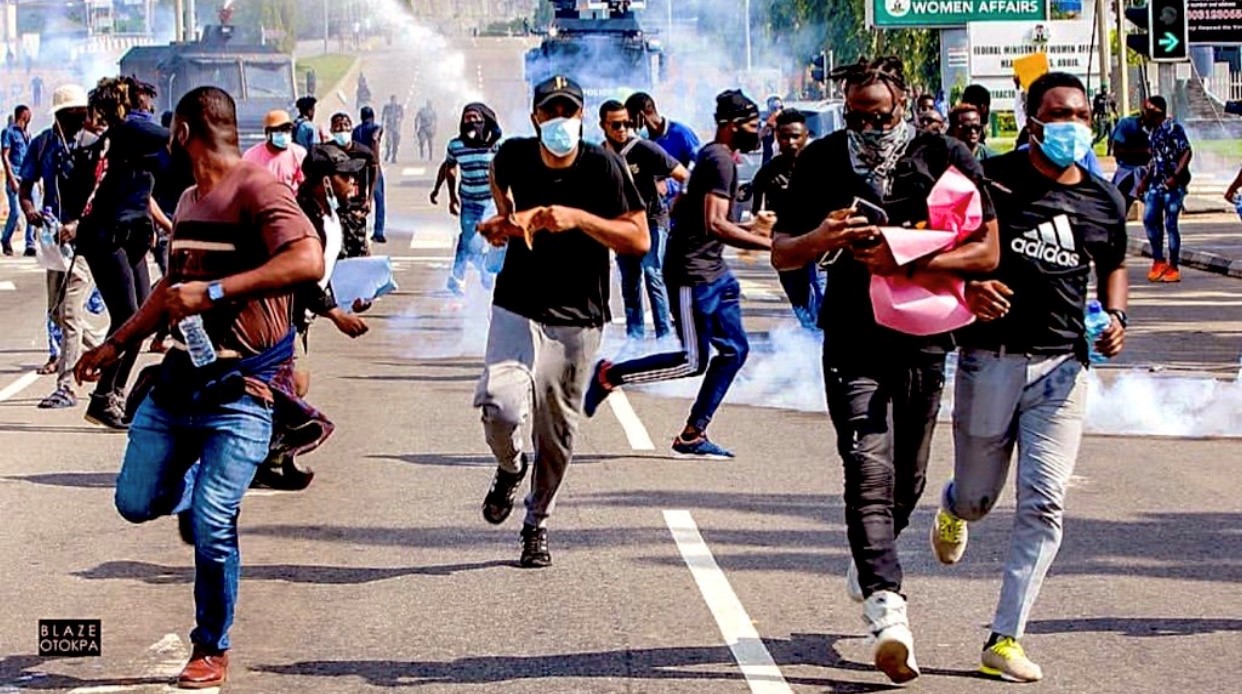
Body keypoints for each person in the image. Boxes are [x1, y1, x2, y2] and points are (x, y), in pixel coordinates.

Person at [75, 85, 323, 689]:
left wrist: (214, 293)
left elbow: (307, 260)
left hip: (243, 390)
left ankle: (210, 647)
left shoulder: (259, 189)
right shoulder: (187, 199)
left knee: (214, 522)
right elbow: (168, 290)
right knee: (134, 502)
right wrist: (114, 345)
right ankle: (192, 488)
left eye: (171, 132)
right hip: (178, 386)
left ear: (183, 132)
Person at [769, 56, 999, 684]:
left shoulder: (944, 155)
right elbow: (782, 250)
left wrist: (905, 255)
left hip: (925, 336)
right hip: (852, 337)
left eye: (880, 116)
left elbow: (986, 249)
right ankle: (886, 606)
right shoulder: (821, 160)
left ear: (904, 103)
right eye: (856, 118)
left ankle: (871, 553)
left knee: (908, 478)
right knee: (866, 466)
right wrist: (823, 238)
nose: (868, 129)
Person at [929, 71, 1129, 683]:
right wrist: (968, 285)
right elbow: (937, 247)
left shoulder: (1103, 198)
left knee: (1044, 503)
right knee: (979, 498)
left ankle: (1004, 638)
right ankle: (953, 506)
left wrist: (1116, 315)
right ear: (1032, 120)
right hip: (990, 358)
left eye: (1081, 115)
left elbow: (1114, 263)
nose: (1072, 126)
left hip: (1064, 367)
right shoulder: (989, 181)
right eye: (1058, 114)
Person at [473, 75, 647, 568]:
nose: (559, 121)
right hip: (517, 304)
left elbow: (638, 239)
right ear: (535, 118)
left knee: (557, 433)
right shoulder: (514, 155)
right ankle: (511, 467)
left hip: (578, 317)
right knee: (500, 407)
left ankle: (537, 521)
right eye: (550, 112)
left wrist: (579, 219)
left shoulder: (604, 166)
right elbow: (498, 182)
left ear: (581, 117)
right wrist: (504, 222)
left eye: (568, 112)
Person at [583, 89, 773, 459]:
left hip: (714, 271)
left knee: (735, 351)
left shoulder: (715, 157)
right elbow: (715, 223)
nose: (759, 132)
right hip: (691, 273)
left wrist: (751, 228)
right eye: (753, 125)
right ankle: (610, 375)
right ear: (732, 126)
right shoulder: (719, 160)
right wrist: (770, 244)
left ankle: (693, 434)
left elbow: (689, 207)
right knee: (692, 360)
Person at [72, 76, 169, 429]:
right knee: (128, 315)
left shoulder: (129, 134)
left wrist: (161, 225)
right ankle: (102, 397)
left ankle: (114, 393)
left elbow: (144, 190)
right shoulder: (128, 129)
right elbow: (172, 137)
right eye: (143, 98)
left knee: (142, 318)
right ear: (125, 102)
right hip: (106, 236)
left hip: (130, 235)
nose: (149, 104)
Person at [19, 84, 103, 410]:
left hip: (84, 243)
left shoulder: (94, 145)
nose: (78, 120)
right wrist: (30, 211)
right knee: (57, 314)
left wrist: (78, 225)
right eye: (71, 115)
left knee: (69, 313)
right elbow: (25, 187)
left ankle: (66, 387)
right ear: (58, 115)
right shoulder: (42, 145)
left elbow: (102, 195)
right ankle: (108, 348)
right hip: (54, 244)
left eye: (81, 114)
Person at [598, 99, 689, 342]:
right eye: (616, 125)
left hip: (653, 220)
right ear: (603, 125)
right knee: (630, 282)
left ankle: (664, 337)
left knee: (652, 272)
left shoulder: (644, 149)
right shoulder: (600, 156)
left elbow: (683, 175)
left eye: (626, 123)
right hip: (624, 225)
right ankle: (634, 339)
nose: (622, 129)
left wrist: (683, 203)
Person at [750, 109, 821, 330]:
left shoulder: (822, 165)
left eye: (796, 136)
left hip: (819, 243)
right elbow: (757, 212)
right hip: (787, 246)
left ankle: (822, 340)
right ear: (777, 138)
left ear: (806, 135)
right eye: (784, 137)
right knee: (800, 304)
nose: (790, 142)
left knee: (822, 298)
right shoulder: (768, 172)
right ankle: (809, 339)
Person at [430, 102, 504, 294]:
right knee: (471, 243)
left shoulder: (496, 145)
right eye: (467, 118)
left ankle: (461, 276)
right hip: (469, 203)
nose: (471, 122)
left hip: (492, 203)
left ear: (484, 120)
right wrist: (446, 194)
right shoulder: (456, 145)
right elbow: (449, 168)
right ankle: (480, 272)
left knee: (490, 242)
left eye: (475, 118)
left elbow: (509, 170)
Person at [1135, 95, 1191, 283]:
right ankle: (1158, 261)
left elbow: (1186, 152)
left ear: (1156, 112)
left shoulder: (1173, 128)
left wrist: (1175, 177)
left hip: (1173, 185)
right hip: (1156, 184)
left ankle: (1173, 267)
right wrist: (1144, 182)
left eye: (1147, 110)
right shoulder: (1153, 132)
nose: (1143, 114)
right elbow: (1154, 160)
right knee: (1150, 219)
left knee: (1170, 224)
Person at [329, 112, 377, 257]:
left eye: (345, 125)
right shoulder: (326, 151)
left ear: (351, 128)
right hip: (334, 204)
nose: (342, 130)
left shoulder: (363, 152)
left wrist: (369, 199)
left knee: (358, 243)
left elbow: (374, 169)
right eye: (337, 127)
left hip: (356, 203)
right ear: (332, 130)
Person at [625, 91, 701, 167]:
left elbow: (701, 162)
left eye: (631, 120)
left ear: (640, 116)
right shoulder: (643, 139)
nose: (630, 126)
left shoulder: (680, 133)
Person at [242, 109, 306, 190]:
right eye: (280, 130)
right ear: (268, 133)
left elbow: (304, 185)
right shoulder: (251, 156)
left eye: (287, 129)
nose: (284, 133)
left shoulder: (299, 153)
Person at [352, 106, 386, 243]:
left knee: (360, 199)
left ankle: (358, 229)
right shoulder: (376, 127)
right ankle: (378, 231)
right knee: (379, 199)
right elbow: (376, 135)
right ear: (372, 117)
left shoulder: (356, 131)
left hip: (359, 167)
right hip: (373, 167)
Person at [1, 104, 31, 256]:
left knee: (33, 211)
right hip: (15, 177)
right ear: (22, 114)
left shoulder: (28, 135)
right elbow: (5, 155)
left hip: (28, 178)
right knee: (16, 212)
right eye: (28, 113)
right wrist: (11, 178)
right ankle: (5, 239)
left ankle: (30, 244)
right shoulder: (9, 132)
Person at [1111, 111, 1151, 212]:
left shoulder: (1163, 128)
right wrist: (1144, 151)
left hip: (1149, 172)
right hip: (1128, 171)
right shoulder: (1126, 124)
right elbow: (1116, 151)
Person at [381, 95, 404, 163]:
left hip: (396, 128)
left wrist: (399, 119)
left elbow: (402, 116)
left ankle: (394, 156)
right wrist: (382, 124)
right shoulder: (387, 107)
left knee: (396, 143)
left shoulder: (399, 107)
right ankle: (388, 152)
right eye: (392, 100)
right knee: (388, 142)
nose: (394, 101)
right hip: (389, 127)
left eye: (395, 100)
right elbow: (383, 116)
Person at [761, 95, 784, 164]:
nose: (778, 110)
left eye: (780, 107)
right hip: (769, 159)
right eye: (775, 108)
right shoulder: (764, 122)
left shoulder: (784, 122)